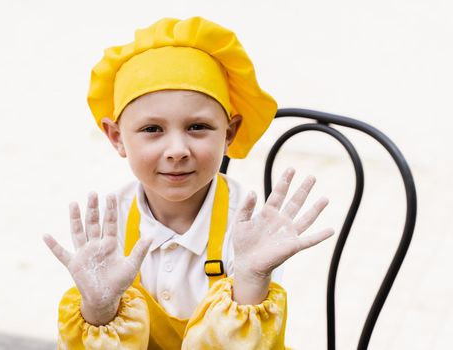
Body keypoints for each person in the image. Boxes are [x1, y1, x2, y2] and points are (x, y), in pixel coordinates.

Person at [43, 16, 334, 350]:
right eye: (152, 129)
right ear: (116, 137)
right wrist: (98, 307)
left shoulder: (251, 230)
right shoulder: (109, 229)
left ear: (230, 133)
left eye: (197, 127)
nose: (177, 151)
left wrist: (251, 280)